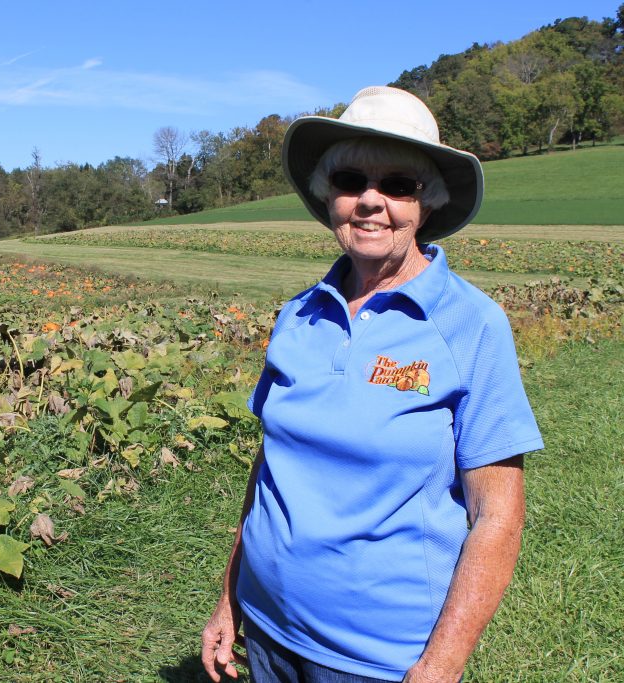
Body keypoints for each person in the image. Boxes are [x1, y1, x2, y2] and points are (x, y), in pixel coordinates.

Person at [201, 86, 544, 683]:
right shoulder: (299, 314)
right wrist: (230, 596)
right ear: (326, 195)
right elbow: (271, 465)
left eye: (398, 185)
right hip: (267, 622)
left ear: (426, 203)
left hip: (378, 656)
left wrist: (440, 666)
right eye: (350, 180)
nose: (369, 200)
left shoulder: (471, 325)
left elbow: (498, 516)